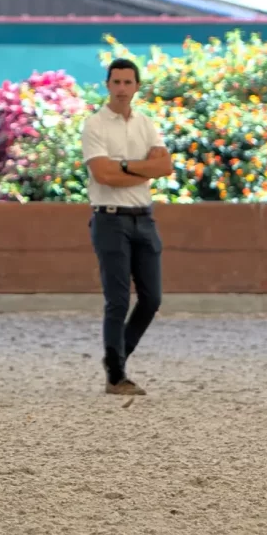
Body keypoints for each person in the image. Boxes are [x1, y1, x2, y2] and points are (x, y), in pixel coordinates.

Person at [80, 57, 175, 396]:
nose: (122, 88)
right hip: (109, 219)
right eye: (116, 82)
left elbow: (165, 167)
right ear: (107, 85)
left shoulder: (146, 124)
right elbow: (102, 174)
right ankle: (117, 374)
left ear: (136, 87)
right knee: (117, 300)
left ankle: (117, 358)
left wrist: (122, 165)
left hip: (143, 218)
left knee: (152, 298)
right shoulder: (94, 126)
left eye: (127, 82)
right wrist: (141, 168)